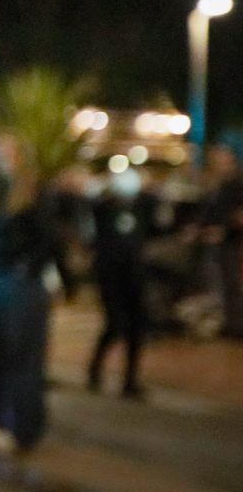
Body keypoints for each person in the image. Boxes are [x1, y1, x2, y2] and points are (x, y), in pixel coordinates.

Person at [0, 138, 73, 453]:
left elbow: (50, 240)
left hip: (22, 283)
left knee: (23, 355)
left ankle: (23, 428)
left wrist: (29, 268)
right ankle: (1, 420)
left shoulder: (34, 194)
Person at [88, 166, 156, 398]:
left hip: (134, 275)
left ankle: (130, 380)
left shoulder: (141, 207)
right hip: (110, 275)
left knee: (136, 327)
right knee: (114, 324)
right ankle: (95, 371)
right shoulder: (104, 209)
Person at [200, 145, 243, 340]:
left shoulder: (236, 184)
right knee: (224, 284)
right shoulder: (220, 185)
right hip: (222, 240)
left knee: (232, 284)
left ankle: (236, 326)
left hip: (233, 242)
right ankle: (230, 323)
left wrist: (223, 230)